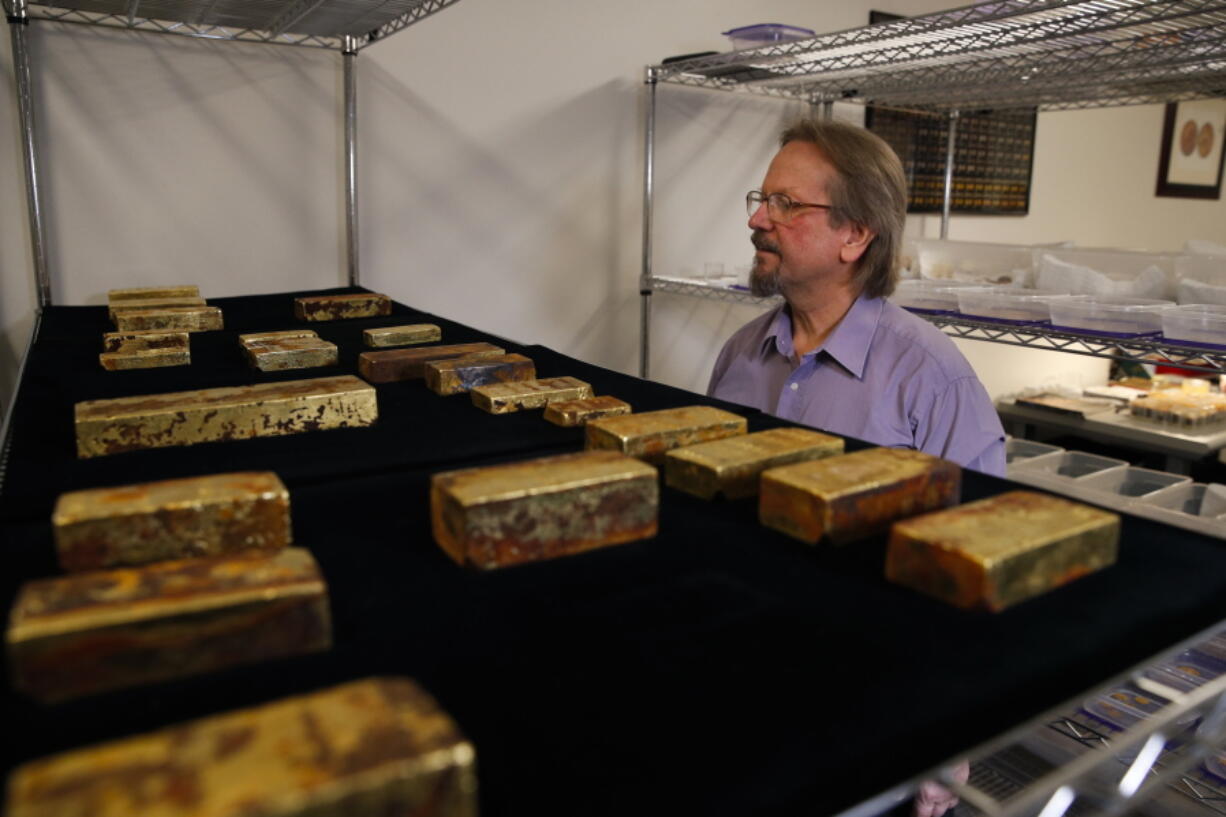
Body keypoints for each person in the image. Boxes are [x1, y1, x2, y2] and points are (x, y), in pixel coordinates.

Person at [707, 118, 1005, 476]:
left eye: (784, 204)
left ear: (855, 236)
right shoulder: (740, 353)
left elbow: (970, 527)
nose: (756, 220)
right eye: (762, 200)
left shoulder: (934, 378)